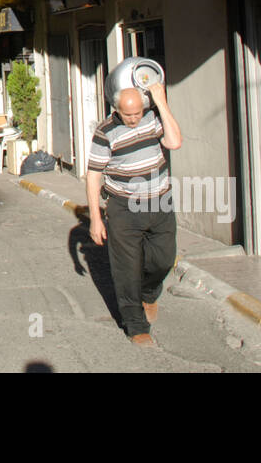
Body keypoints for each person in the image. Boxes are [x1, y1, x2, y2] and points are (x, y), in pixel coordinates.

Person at [85, 81, 182, 348]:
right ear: (116, 110)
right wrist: (95, 218)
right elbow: (93, 175)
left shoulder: (153, 118)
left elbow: (174, 142)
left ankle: (149, 293)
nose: (134, 119)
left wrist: (161, 102)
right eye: (128, 114)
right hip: (124, 206)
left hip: (159, 202)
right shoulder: (105, 132)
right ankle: (136, 325)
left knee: (164, 259)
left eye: (137, 112)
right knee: (126, 269)